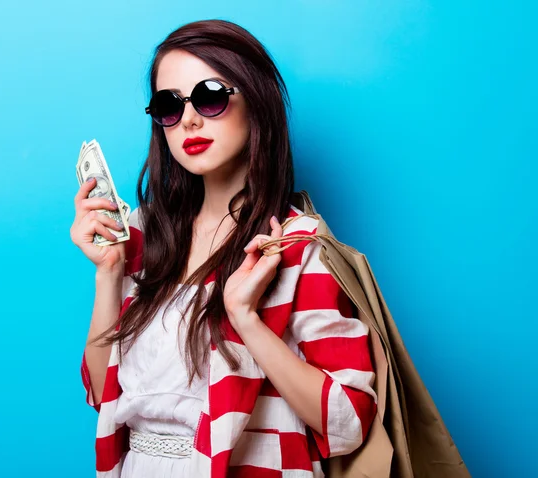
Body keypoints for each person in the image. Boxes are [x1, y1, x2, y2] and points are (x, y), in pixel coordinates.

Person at [70, 19, 377, 478]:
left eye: (210, 96)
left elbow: (347, 422)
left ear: (255, 102)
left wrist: (246, 318)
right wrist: (109, 272)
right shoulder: (144, 234)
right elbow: (103, 395)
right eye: (168, 105)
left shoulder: (294, 246)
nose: (189, 119)